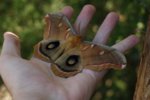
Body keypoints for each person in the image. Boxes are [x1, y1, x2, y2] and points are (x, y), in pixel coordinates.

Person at [0, 5, 139, 100]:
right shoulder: (87, 44)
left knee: (51, 48)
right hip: (71, 56)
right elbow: (55, 18)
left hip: (56, 46)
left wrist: (112, 56)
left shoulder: (67, 30)